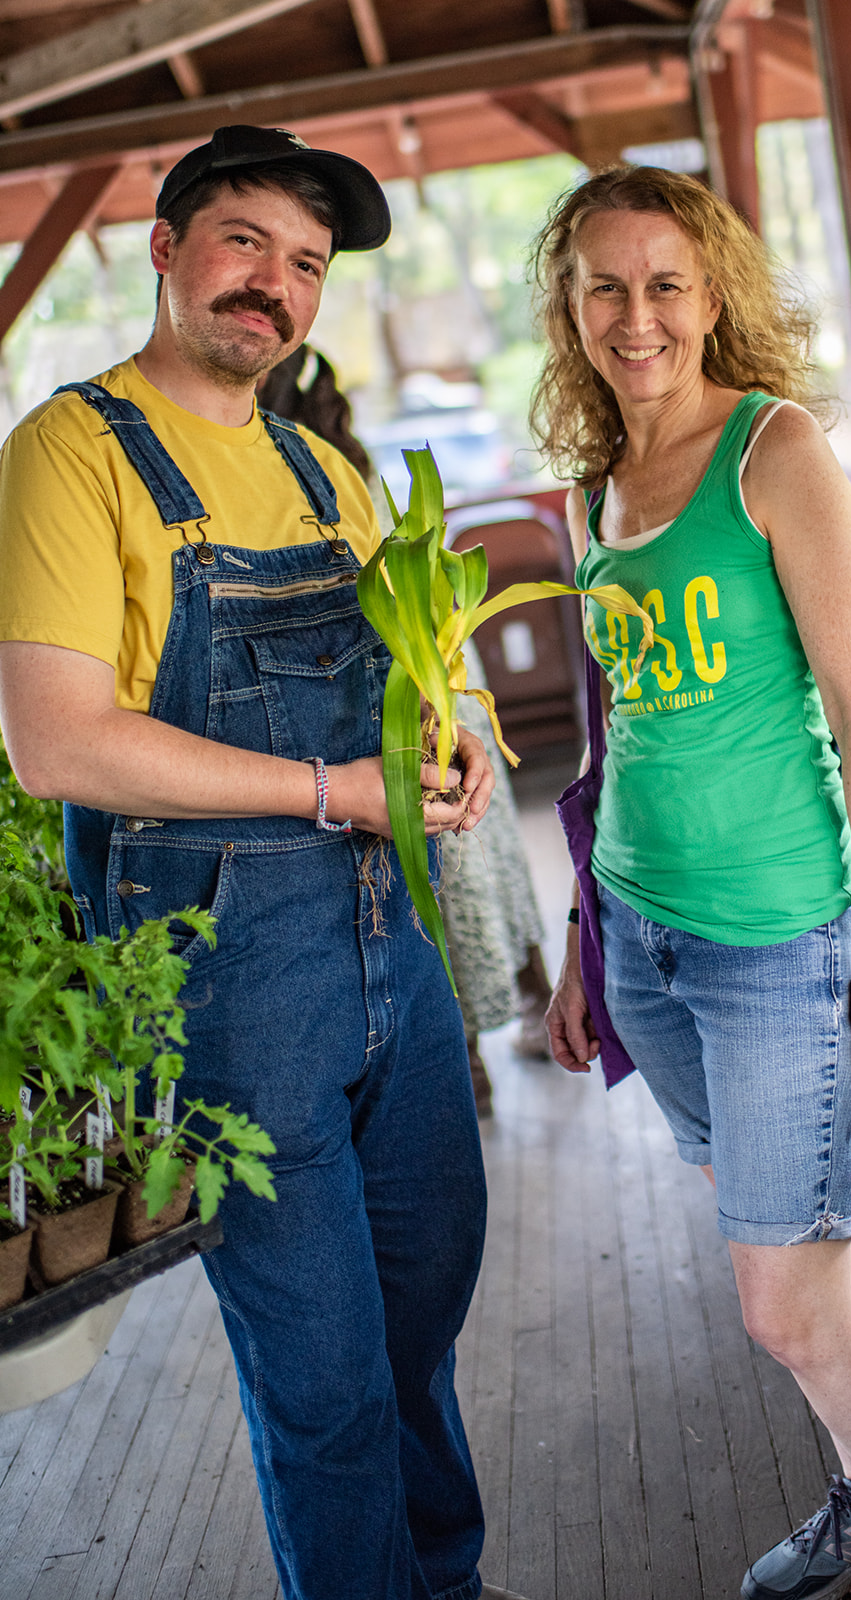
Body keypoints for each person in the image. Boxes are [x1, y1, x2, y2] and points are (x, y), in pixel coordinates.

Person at [0, 125, 526, 1600]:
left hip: (389, 952)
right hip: (230, 982)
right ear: (162, 250)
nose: (275, 285)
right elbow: (58, 743)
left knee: (420, 1321)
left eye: (306, 264)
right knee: (328, 1384)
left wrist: (466, 730)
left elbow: (421, 664)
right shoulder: (69, 455)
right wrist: (332, 788)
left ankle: (448, 1582)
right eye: (243, 242)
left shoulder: (322, 471)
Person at [534, 165, 851, 1600]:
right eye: (605, 285)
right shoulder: (591, 488)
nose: (638, 316)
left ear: (716, 291)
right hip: (643, 939)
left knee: (787, 1308)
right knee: (803, 1281)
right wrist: (577, 934)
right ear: (569, 306)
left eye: (666, 282)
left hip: (775, 940)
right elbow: (617, 724)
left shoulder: (774, 450)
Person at [256, 346, 555, 1116]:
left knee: (442, 873)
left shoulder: (309, 484)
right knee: (474, 851)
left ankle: (469, 1058)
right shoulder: (351, 479)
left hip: (413, 687)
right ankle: (526, 1010)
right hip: (437, 676)